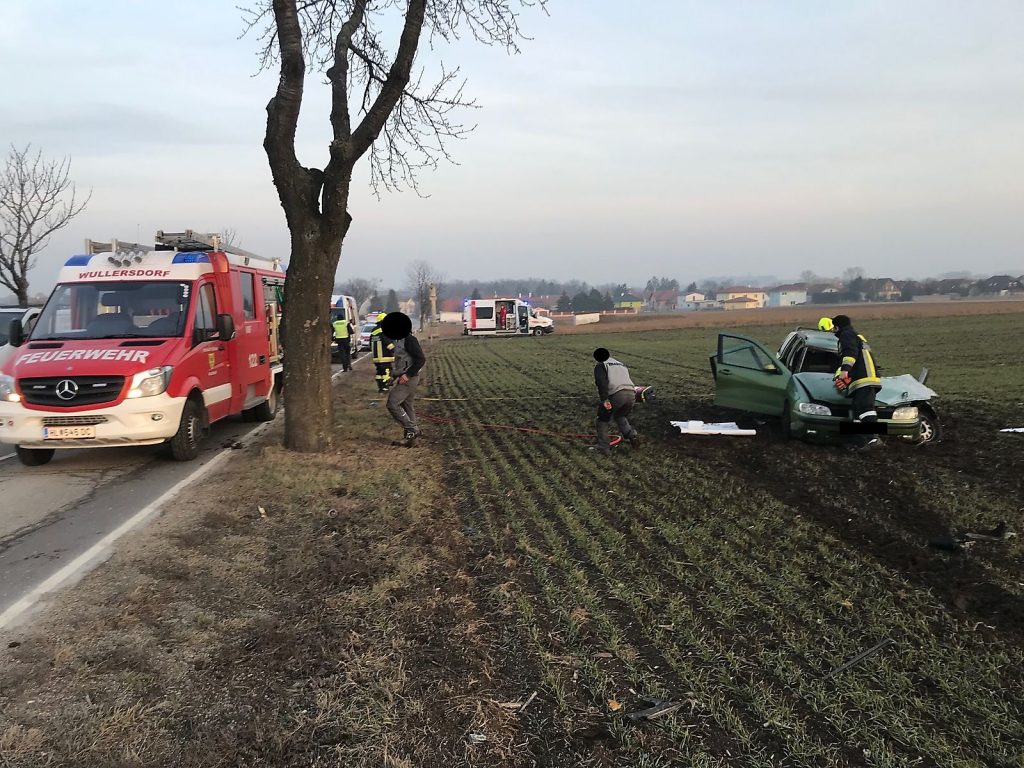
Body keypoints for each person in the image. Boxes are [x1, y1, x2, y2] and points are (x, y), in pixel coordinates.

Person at [830, 314, 882, 450]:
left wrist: (845, 371)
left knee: (865, 408)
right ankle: (859, 442)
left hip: (864, 378)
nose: (833, 331)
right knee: (858, 410)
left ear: (837, 327)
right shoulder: (856, 335)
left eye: (833, 328)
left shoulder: (846, 335)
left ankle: (874, 438)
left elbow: (850, 353)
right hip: (864, 378)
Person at [380, 312, 426, 447]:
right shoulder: (398, 340)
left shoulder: (409, 340)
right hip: (404, 377)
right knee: (407, 407)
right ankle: (412, 441)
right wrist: (393, 376)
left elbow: (421, 359)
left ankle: (413, 430)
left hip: (409, 379)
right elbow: (402, 362)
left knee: (392, 403)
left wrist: (407, 375)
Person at [593, 348, 641, 455]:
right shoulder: (620, 364)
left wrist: (604, 399)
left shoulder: (601, 365)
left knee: (602, 419)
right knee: (620, 415)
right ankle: (632, 435)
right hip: (631, 394)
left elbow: (601, 382)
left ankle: (603, 447)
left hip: (617, 394)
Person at [370, 312, 395, 392]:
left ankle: (380, 387)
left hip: (376, 357)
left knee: (379, 373)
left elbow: (370, 343)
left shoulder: (374, 331)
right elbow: (387, 342)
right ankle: (385, 387)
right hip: (385, 356)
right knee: (386, 372)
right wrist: (395, 350)